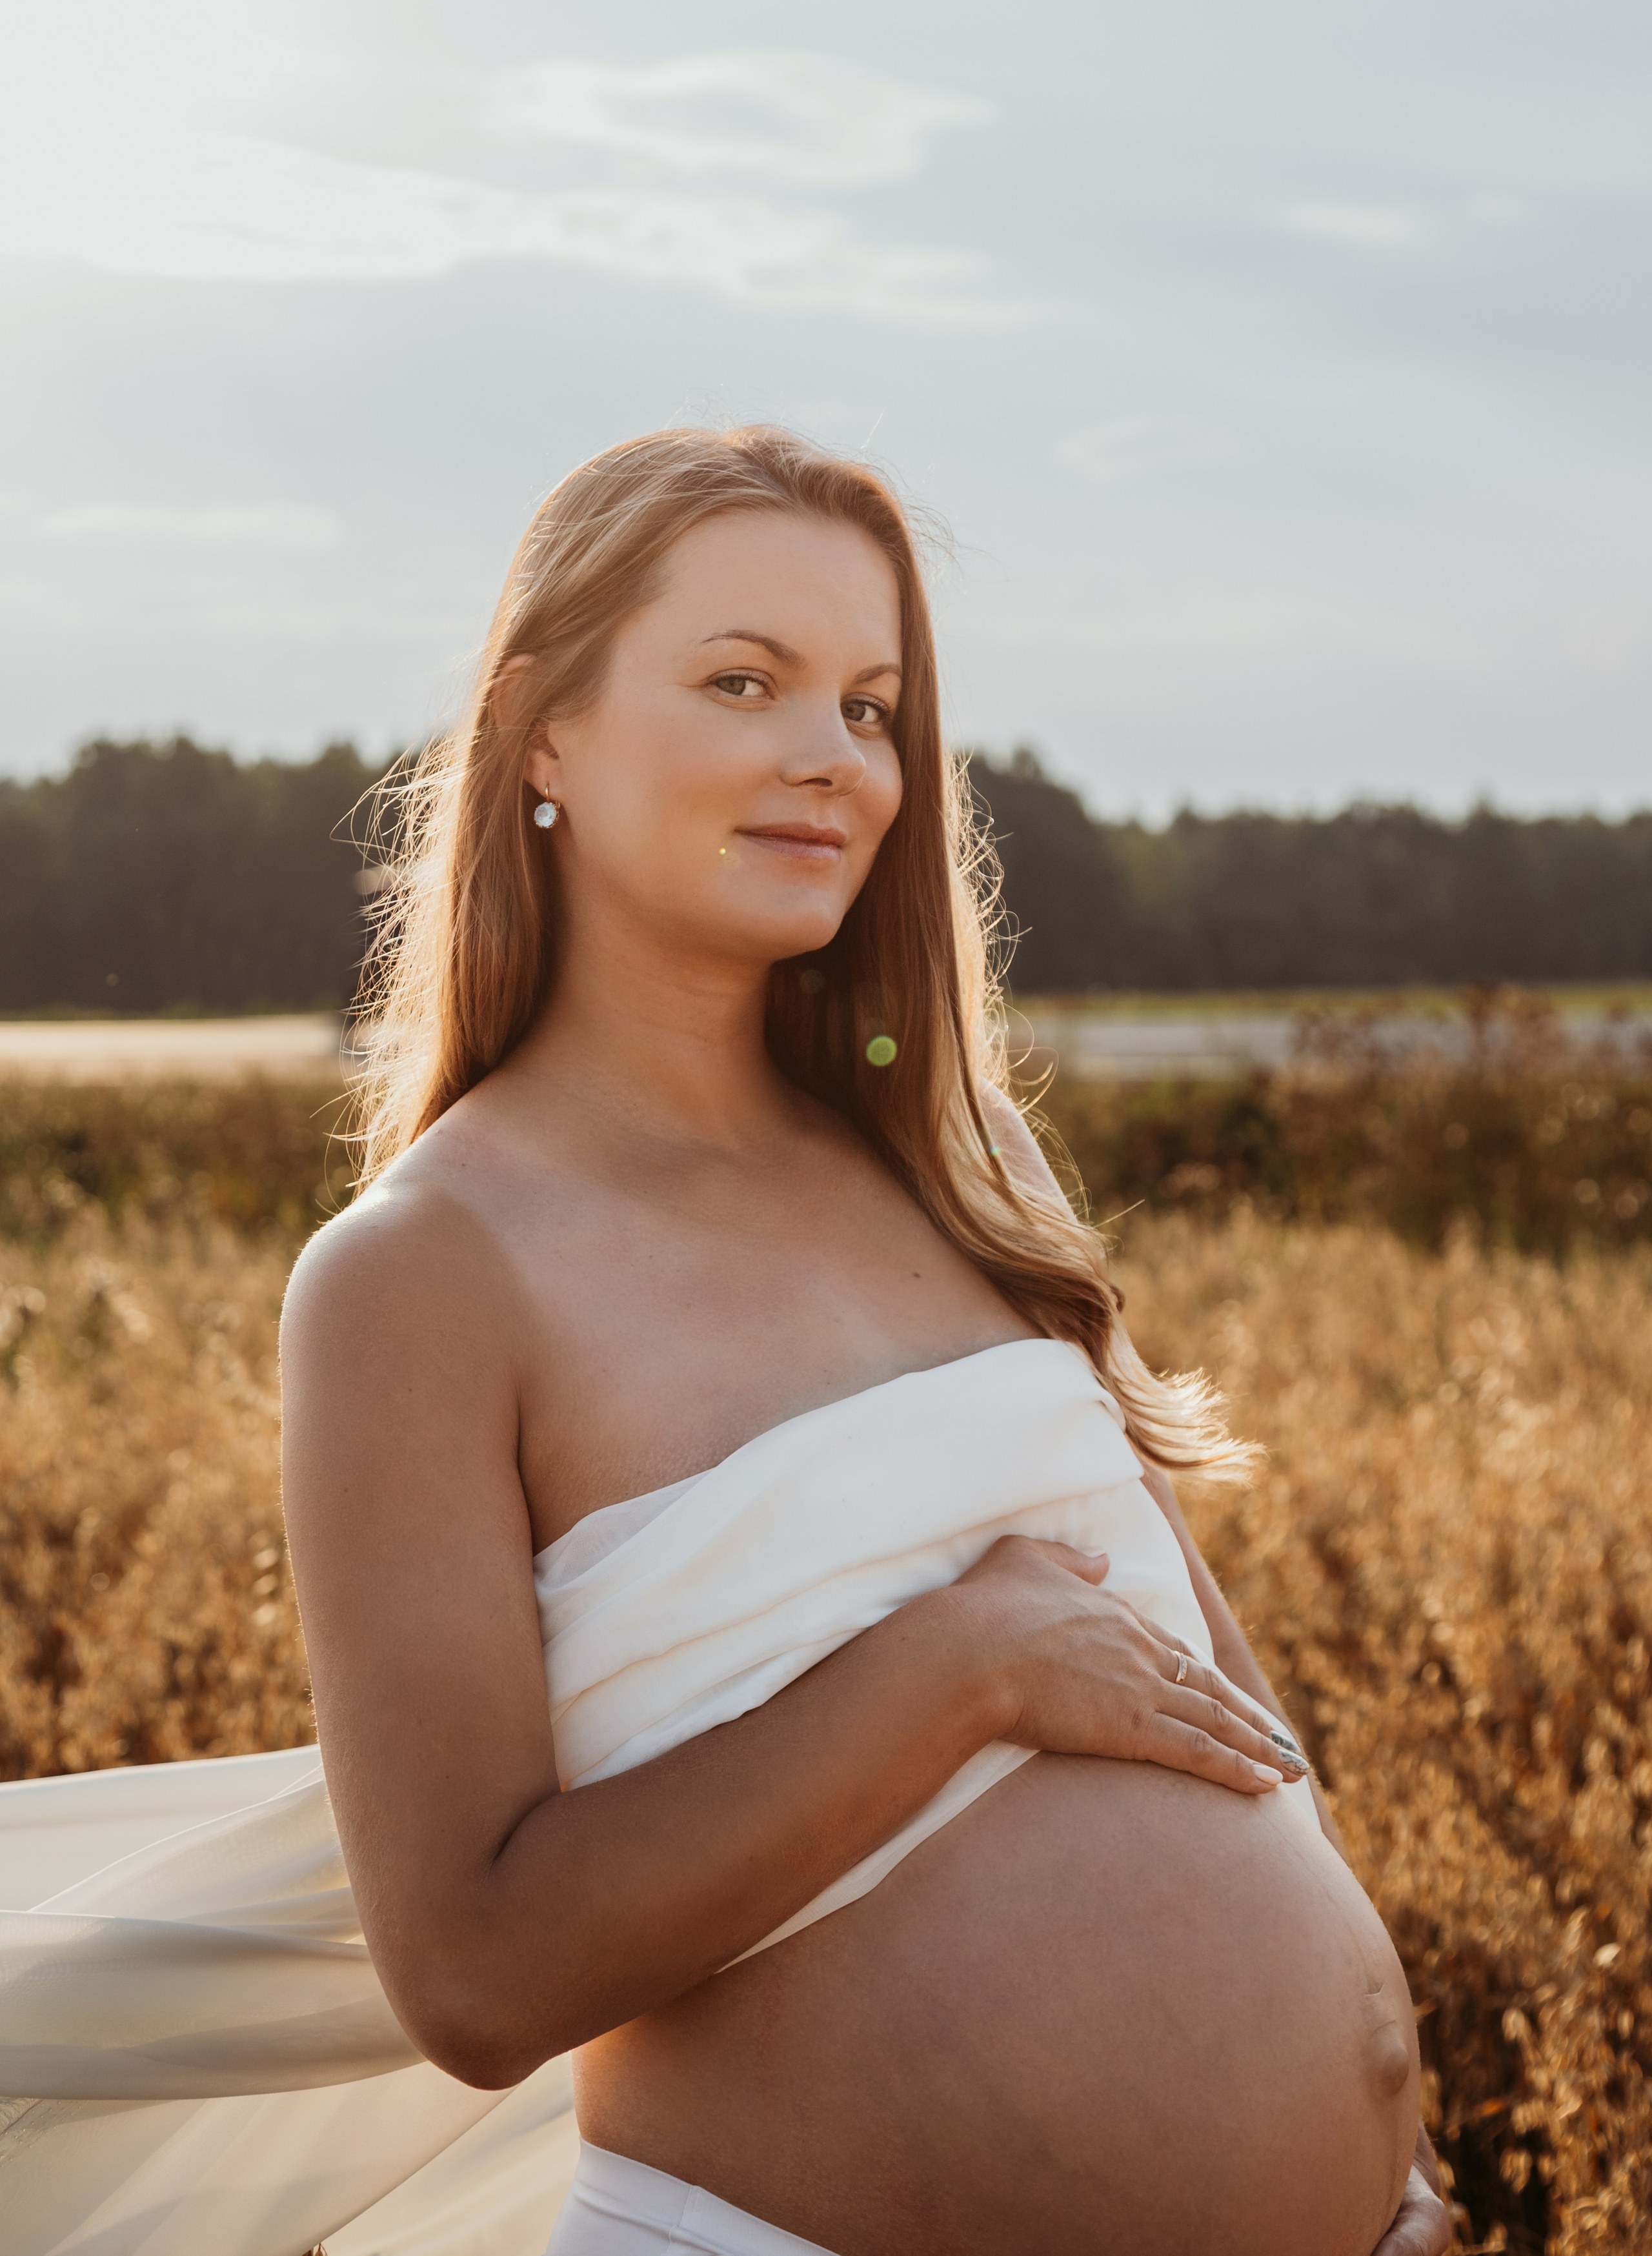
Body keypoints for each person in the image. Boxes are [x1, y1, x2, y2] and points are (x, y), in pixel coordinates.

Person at [274, 425, 1455, 2255]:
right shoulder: (422, 1275)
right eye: (746, 682)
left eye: (873, 705)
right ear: (544, 734)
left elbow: (1195, 1665)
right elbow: (475, 1967)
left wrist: (1383, 2146)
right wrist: (957, 1668)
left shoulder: (963, 1153)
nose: (833, 758)